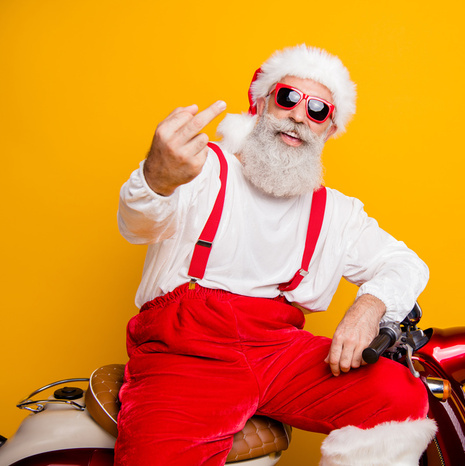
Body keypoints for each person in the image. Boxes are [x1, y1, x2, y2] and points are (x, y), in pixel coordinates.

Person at [116, 44, 435, 466]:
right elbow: (138, 225)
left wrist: (370, 307)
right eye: (288, 98)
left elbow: (407, 264)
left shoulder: (336, 212)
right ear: (262, 103)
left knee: (398, 394)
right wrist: (157, 178)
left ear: (328, 129)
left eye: (318, 110)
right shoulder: (200, 168)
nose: (300, 115)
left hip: (278, 353)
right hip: (187, 353)